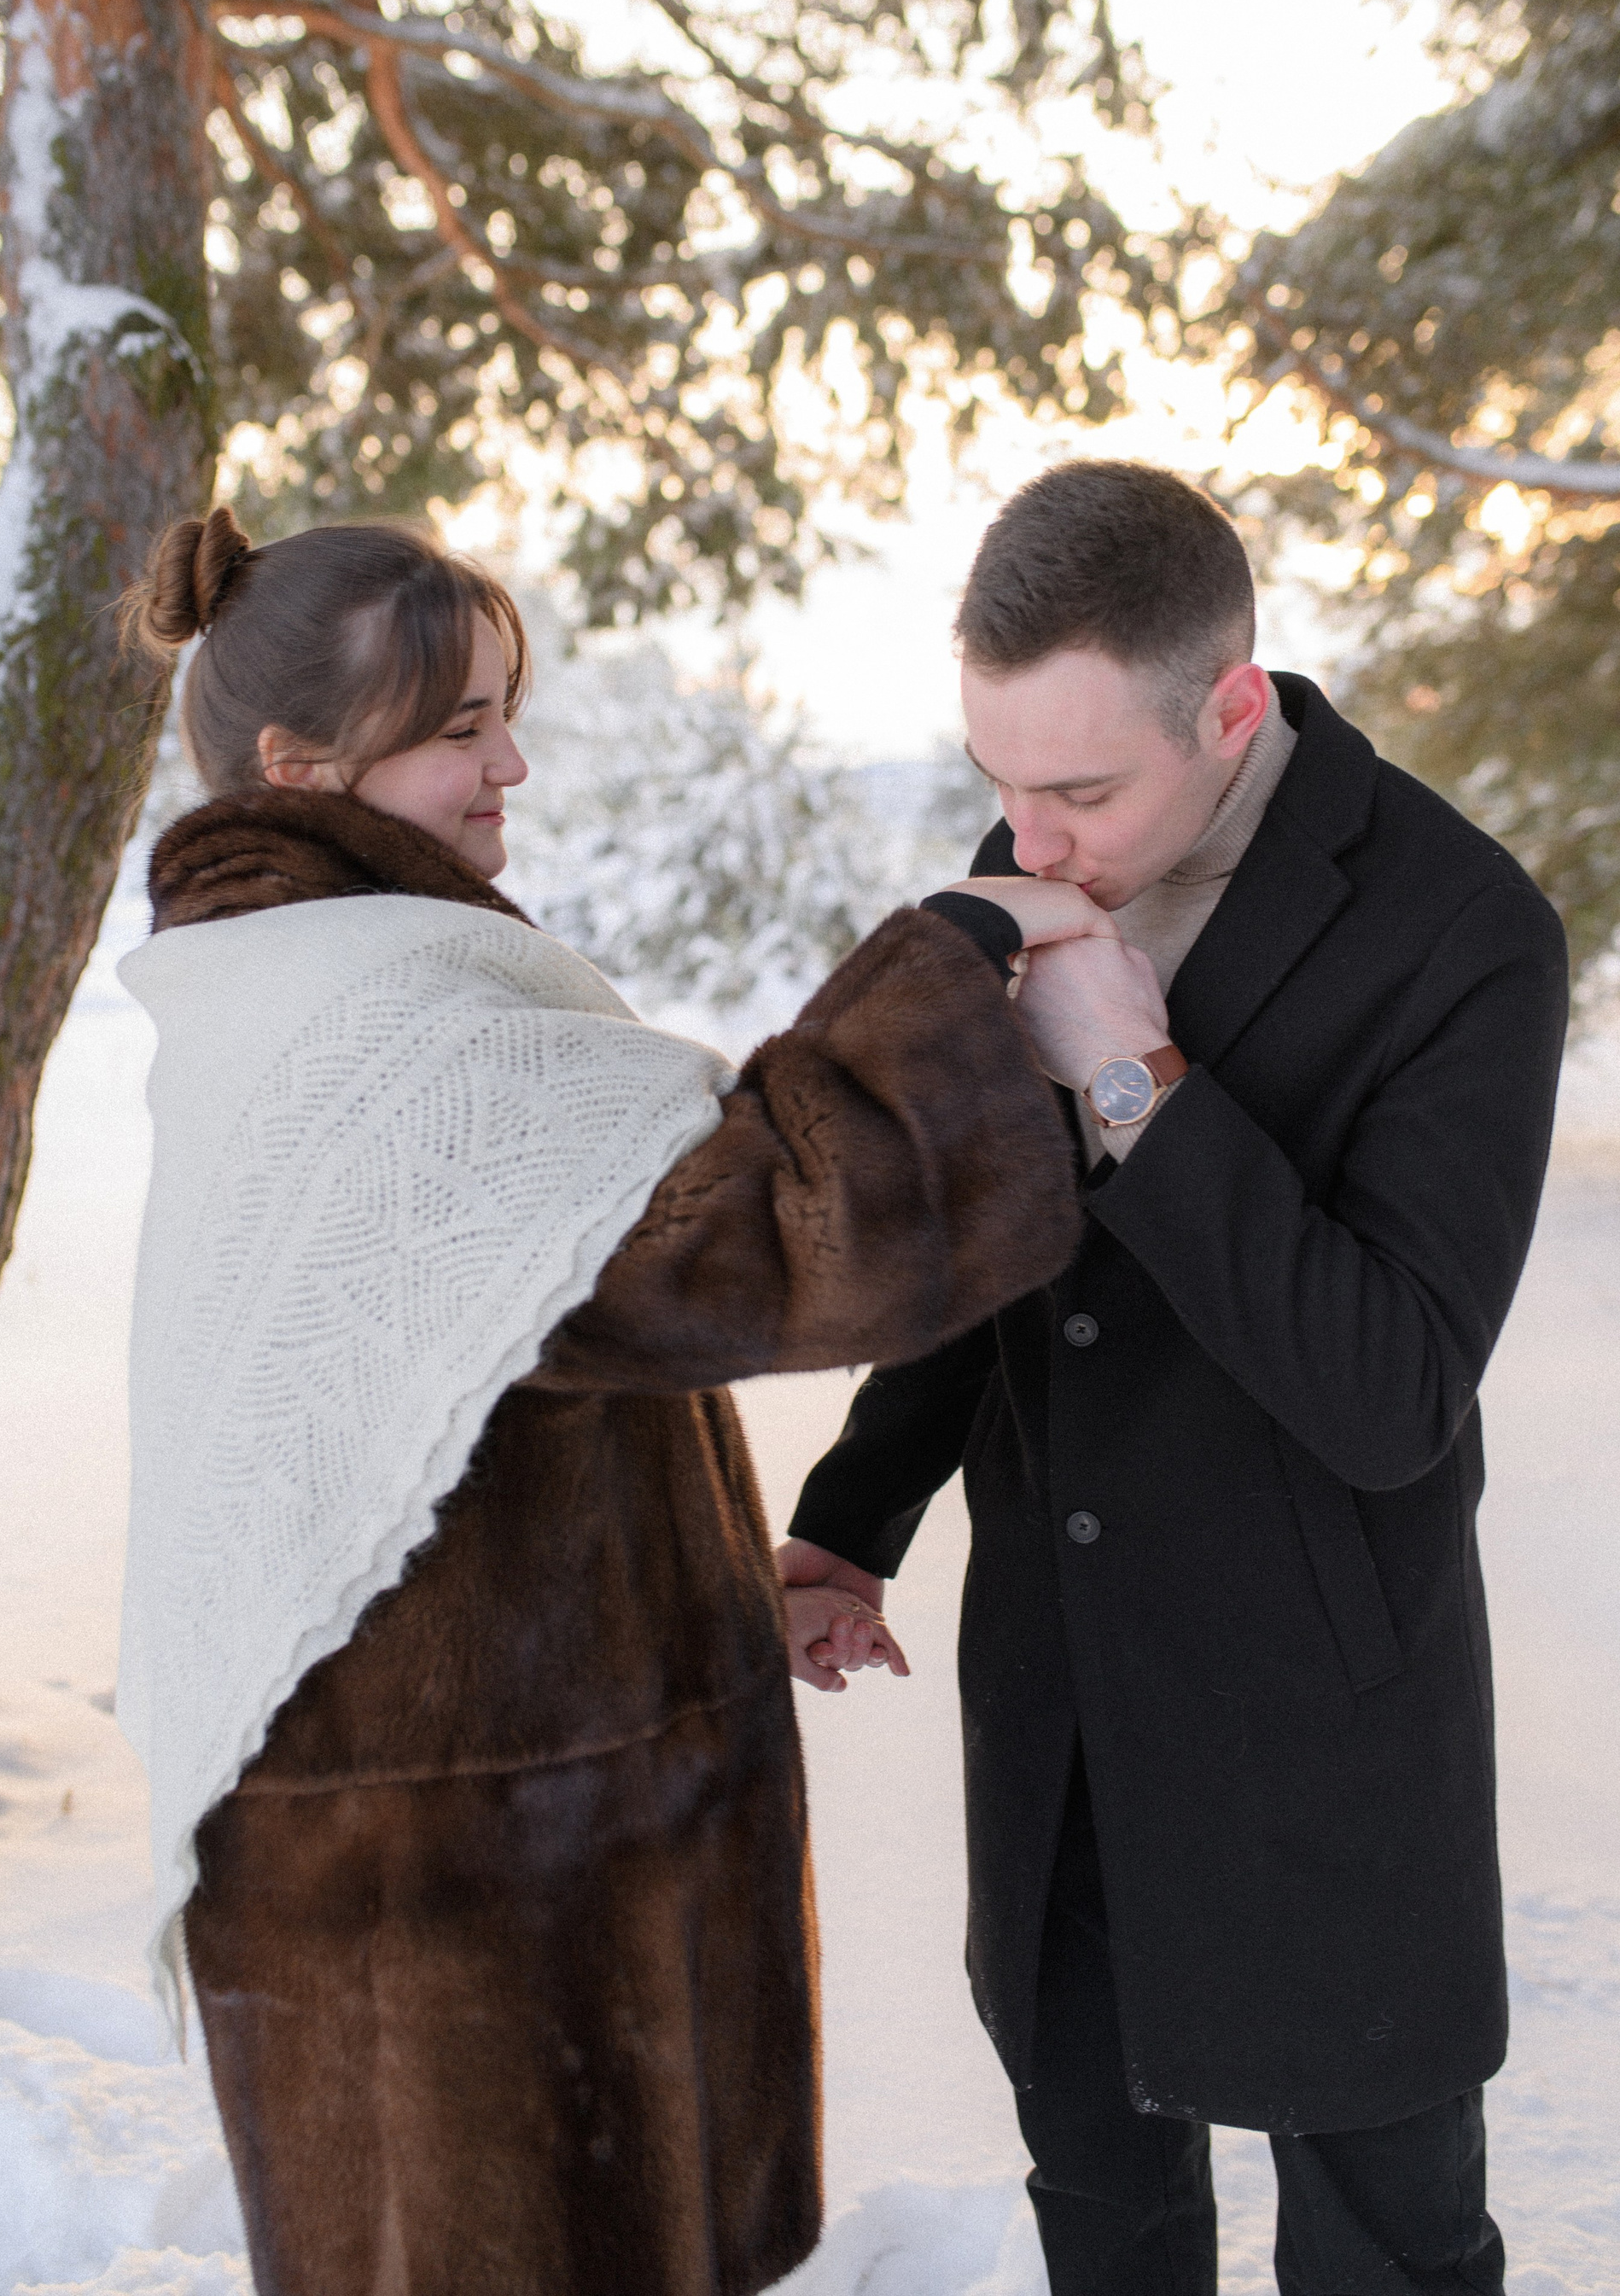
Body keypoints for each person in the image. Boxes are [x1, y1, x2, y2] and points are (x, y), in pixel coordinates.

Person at [113, 506, 1100, 2296]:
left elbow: (469, 1401)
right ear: (300, 765)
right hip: (473, 1892)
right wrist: (955, 959)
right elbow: (764, 1244)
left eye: (509, 711)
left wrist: (705, 1583)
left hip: (458, 1826)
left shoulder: (303, 985)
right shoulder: (381, 1027)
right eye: (460, 727)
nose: (510, 764)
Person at [779, 460, 1568, 2296]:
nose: (1028, 842)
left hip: (1322, 1720)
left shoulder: (1465, 931)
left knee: (1388, 2257)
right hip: (1059, 1692)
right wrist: (854, 1516)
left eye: (1079, 792)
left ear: (1229, 709)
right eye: (998, 781)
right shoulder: (1032, 854)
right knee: (1109, 2225)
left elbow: (1391, 1387)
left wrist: (1139, 1086)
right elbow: (985, 1237)